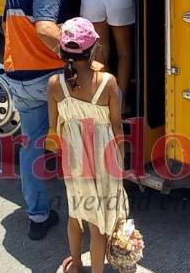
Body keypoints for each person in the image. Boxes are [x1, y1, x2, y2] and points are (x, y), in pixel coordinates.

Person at [2, 0, 87, 240]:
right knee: (76, 141)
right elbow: (45, 28)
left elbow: (7, 25)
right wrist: (77, 57)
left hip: (17, 75)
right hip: (46, 78)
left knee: (32, 145)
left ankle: (37, 216)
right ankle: (85, 213)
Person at [48, 17, 127, 273]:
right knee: (98, 224)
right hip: (105, 156)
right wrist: (121, 159)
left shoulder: (54, 85)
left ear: (61, 51)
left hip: (74, 158)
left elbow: (54, 128)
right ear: (94, 48)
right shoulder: (108, 82)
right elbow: (116, 125)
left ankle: (75, 265)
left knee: (75, 212)